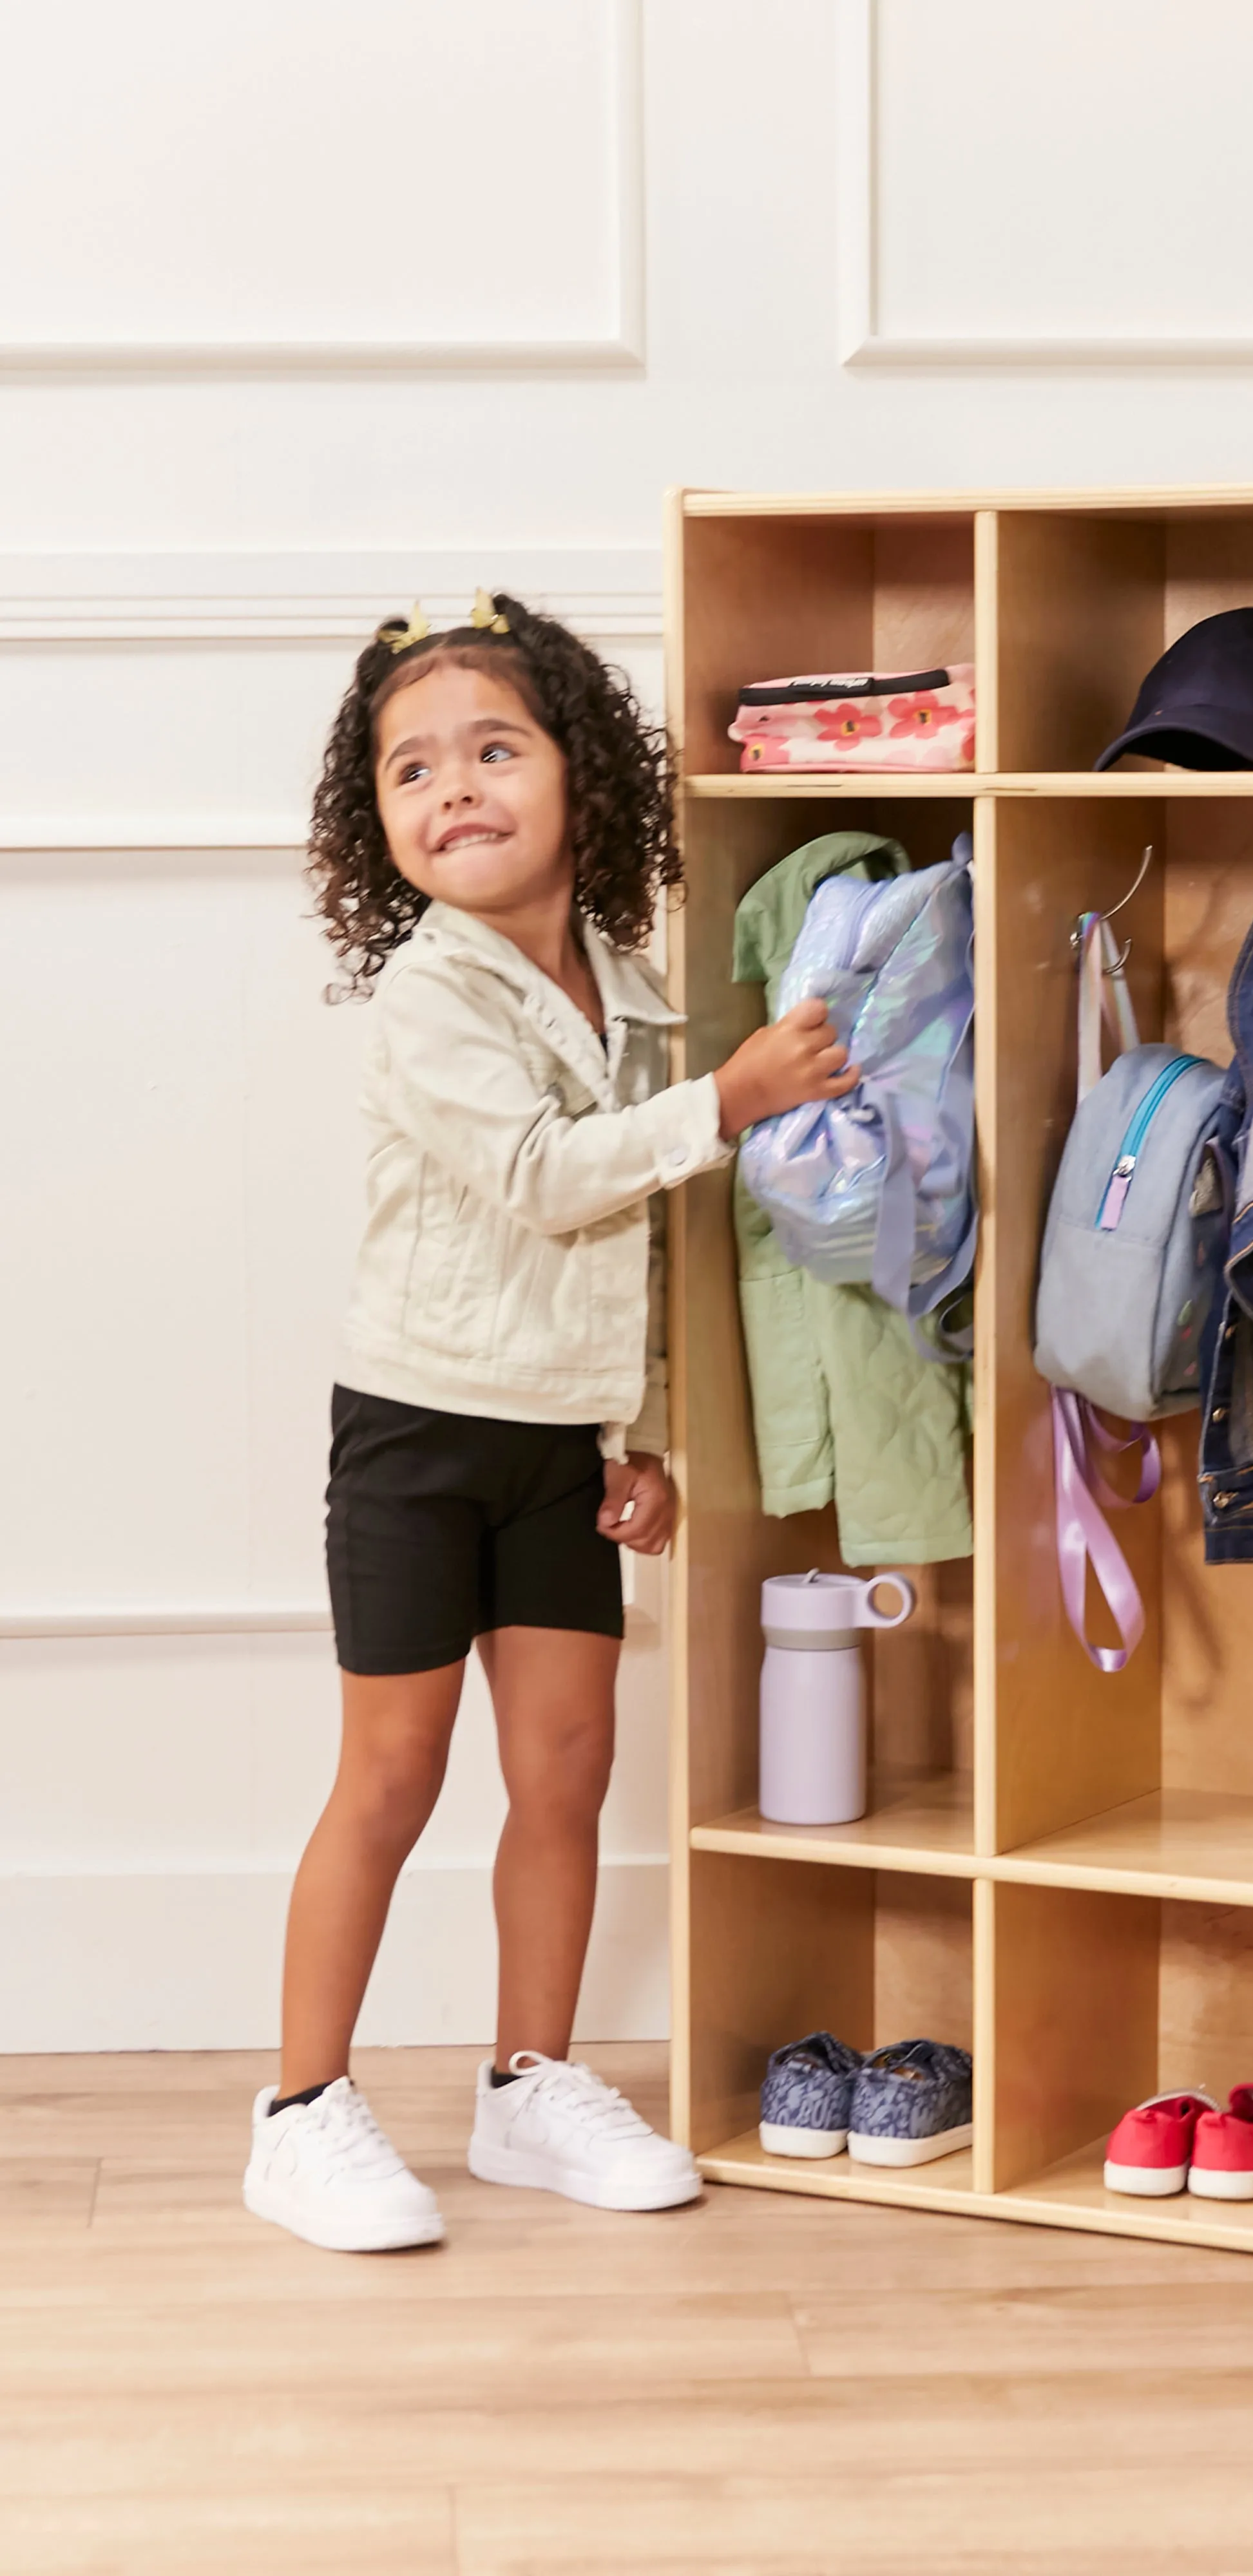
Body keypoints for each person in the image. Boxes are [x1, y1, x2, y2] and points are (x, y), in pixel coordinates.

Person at [244, 592, 854, 2252]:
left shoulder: (635, 992)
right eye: (410, 771)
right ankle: (302, 2108)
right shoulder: (430, 999)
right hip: (422, 1429)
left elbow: (655, 1251)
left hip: (560, 1444)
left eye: (493, 751)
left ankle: (530, 2084)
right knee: (392, 1770)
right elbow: (542, 1179)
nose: (453, 790)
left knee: (568, 1766)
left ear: (582, 778)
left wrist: (642, 1437)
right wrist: (724, 1102)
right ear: (376, 827)